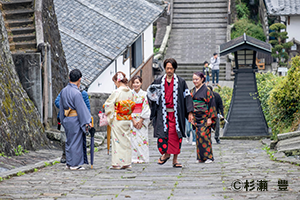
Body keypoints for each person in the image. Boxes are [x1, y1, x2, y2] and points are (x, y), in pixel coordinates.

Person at [148, 58, 194, 168]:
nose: (169, 70)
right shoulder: (158, 81)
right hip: (162, 114)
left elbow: (187, 96)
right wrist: (153, 99)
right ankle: (166, 153)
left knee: (175, 135)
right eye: (167, 68)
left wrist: (190, 112)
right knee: (163, 135)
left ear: (174, 69)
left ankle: (175, 160)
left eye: (171, 68)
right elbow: (151, 95)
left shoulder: (181, 82)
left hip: (176, 114)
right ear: (165, 68)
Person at [59, 69, 92, 170]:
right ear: (79, 79)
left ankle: (69, 163)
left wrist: (62, 119)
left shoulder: (63, 91)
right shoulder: (77, 93)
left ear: (69, 78)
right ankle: (74, 164)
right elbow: (81, 109)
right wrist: (87, 121)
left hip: (67, 118)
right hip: (75, 119)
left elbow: (61, 107)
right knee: (76, 141)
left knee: (69, 141)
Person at [104, 71, 135, 170]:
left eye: (115, 82)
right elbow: (132, 105)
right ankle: (127, 162)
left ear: (117, 81)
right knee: (126, 140)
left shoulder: (116, 92)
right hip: (127, 118)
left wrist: (109, 112)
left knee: (117, 141)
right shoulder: (130, 92)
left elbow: (108, 104)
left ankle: (117, 163)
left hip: (118, 118)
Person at [55, 87, 91, 164]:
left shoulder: (82, 93)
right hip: (65, 116)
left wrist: (88, 120)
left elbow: (87, 107)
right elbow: (57, 102)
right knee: (64, 138)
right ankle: (65, 154)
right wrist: (67, 105)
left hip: (78, 119)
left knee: (77, 140)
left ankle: (75, 159)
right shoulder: (64, 91)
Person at [190, 72, 217, 164]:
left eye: (197, 79)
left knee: (205, 136)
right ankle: (201, 157)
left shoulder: (207, 91)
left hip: (205, 117)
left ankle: (209, 157)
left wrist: (210, 118)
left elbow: (212, 104)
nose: (195, 81)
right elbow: (190, 104)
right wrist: (191, 117)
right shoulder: (192, 90)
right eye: (193, 79)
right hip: (196, 117)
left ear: (202, 79)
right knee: (198, 138)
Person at [130, 76, 151, 163]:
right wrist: (133, 120)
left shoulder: (145, 94)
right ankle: (133, 158)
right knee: (132, 140)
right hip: (132, 119)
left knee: (142, 139)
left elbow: (146, 107)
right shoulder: (129, 94)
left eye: (137, 82)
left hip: (141, 118)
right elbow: (127, 108)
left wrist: (141, 120)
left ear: (141, 83)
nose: (135, 84)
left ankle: (142, 158)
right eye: (134, 82)